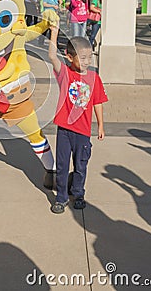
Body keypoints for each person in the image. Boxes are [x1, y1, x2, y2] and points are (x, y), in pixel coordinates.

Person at [48, 29, 108, 213]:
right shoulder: (65, 74)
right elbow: (51, 56)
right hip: (65, 131)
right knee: (63, 165)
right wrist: (54, 33)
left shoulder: (93, 78)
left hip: (83, 132)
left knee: (81, 165)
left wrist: (100, 125)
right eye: (82, 58)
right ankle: (61, 198)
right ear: (69, 57)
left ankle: (78, 193)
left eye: (89, 58)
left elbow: (97, 102)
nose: (87, 62)